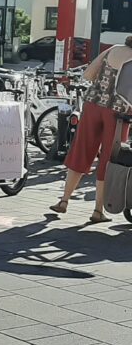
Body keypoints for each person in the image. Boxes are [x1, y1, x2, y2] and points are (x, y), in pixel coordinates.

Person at [50, 40, 132, 223]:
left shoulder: (113, 49)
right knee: (109, 159)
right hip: (118, 113)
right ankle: (98, 210)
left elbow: (88, 74)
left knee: (82, 149)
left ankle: (64, 200)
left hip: (93, 104)